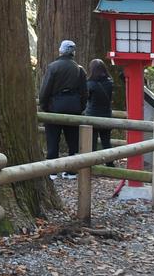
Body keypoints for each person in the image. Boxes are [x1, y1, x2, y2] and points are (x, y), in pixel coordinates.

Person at [38, 39, 87, 177]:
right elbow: (84, 92)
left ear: (61, 51)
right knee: (73, 141)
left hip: (55, 107)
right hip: (74, 108)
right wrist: (80, 107)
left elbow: (45, 89)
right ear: (73, 53)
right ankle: (72, 170)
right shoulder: (80, 69)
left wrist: (44, 106)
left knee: (53, 139)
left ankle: (52, 171)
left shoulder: (53, 67)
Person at [85, 59, 115, 150]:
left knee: (92, 143)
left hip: (92, 115)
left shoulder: (89, 84)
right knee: (106, 142)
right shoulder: (110, 83)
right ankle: (110, 163)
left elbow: (87, 98)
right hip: (106, 115)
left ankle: (92, 163)